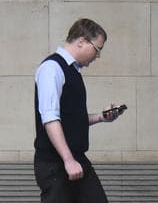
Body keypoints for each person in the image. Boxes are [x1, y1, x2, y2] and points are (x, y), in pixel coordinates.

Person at [33, 18, 125, 203]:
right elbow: (50, 118)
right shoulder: (52, 69)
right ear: (82, 41)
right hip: (56, 163)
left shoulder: (72, 71)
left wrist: (101, 117)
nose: (97, 56)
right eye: (97, 50)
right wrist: (68, 160)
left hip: (75, 159)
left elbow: (71, 119)